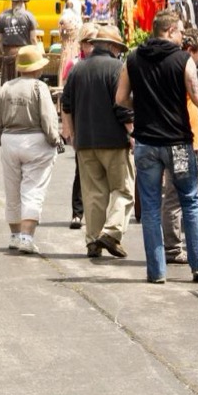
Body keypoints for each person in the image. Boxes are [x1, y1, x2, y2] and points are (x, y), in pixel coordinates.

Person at [118, 10, 198, 284]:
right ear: (169, 31)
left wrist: (145, 110)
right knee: (190, 201)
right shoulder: (183, 60)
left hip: (146, 144)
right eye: (180, 31)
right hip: (179, 144)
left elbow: (121, 98)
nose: (183, 37)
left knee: (150, 206)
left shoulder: (132, 58)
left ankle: (157, 271)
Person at [63, 25, 134, 259]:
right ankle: (112, 232)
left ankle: (93, 240)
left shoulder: (77, 69)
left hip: (85, 141)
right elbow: (122, 105)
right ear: (113, 47)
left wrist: (72, 135)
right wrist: (132, 133)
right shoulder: (117, 68)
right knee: (123, 189)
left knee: (93, 194)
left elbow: (67, 105)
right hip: (114, 140)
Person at [0, 44, 63, 254]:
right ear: (38, 68)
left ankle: (14, 234)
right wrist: (55, 139)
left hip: (10, 140)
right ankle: (26, 236)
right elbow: (49, 120)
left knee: (12, 189)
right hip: (35, 140)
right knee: (33, 188)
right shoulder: (39, 88)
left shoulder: (7, 87)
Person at [0, 0, 38, 84]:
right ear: (22, 1)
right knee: (24, 84)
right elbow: (33, 39)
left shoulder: (2, 16)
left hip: (8, 54)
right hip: (24, 55)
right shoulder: (29, 16)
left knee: (8, 85)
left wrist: (3, 52)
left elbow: (0, 40)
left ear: (12, 1)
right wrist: (37, 52)